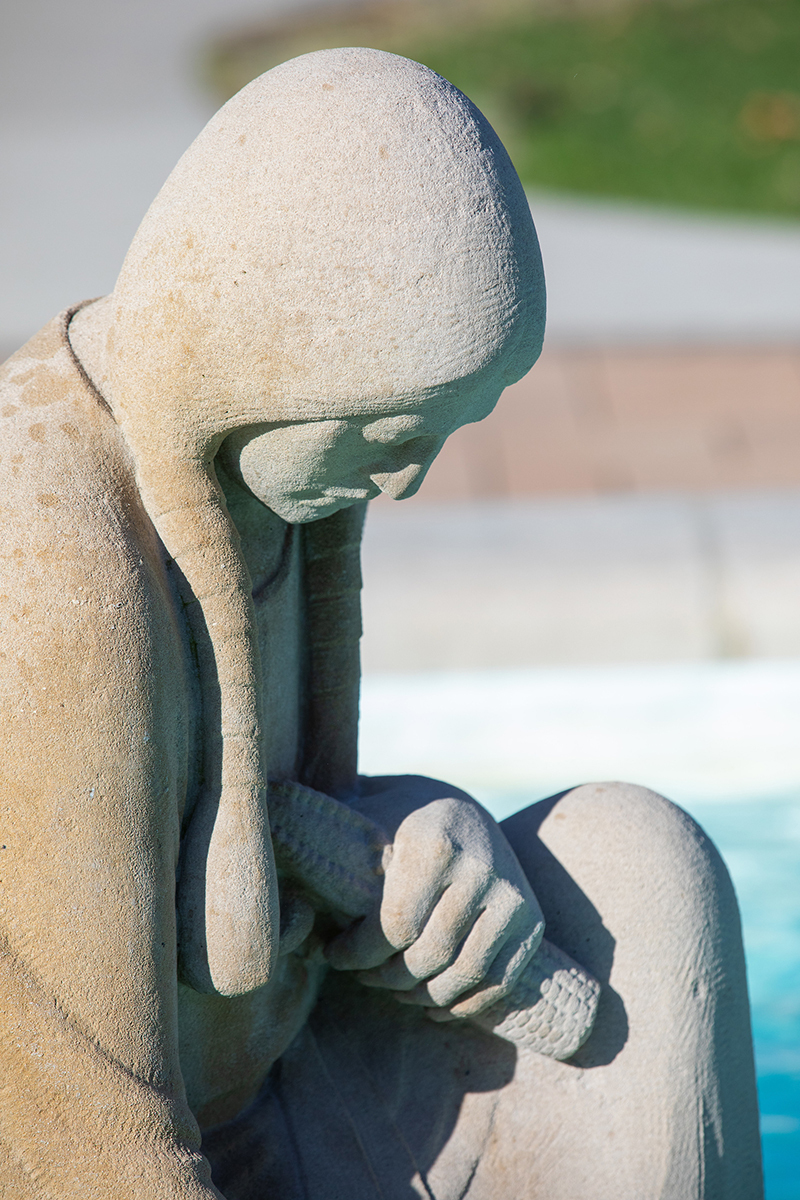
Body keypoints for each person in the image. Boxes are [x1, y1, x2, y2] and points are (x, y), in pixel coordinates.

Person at [0, 48, 761, 1199]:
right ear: (253, 355)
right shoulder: (56, 565)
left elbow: (256, 822)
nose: (403, 483)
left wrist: (413, 832)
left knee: (640, 870)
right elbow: (81, 1147)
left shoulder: (255, 472)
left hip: (289, 1088)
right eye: (388, 432)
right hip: (163, 1160)